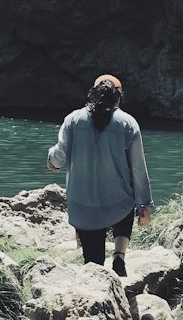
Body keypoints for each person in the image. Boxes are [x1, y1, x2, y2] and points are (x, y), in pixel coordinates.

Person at [46, 74, 153, 277]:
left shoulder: (73, 119)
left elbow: (58, 158)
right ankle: (119, 256)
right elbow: (138, 169)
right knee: (126, 199)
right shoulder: (128, 123)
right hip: (118, 203)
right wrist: (144, 204)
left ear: (92, 95)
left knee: (93, 266)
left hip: (83, 207)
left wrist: (51, 158)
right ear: (118, 97)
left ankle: (97, 288)